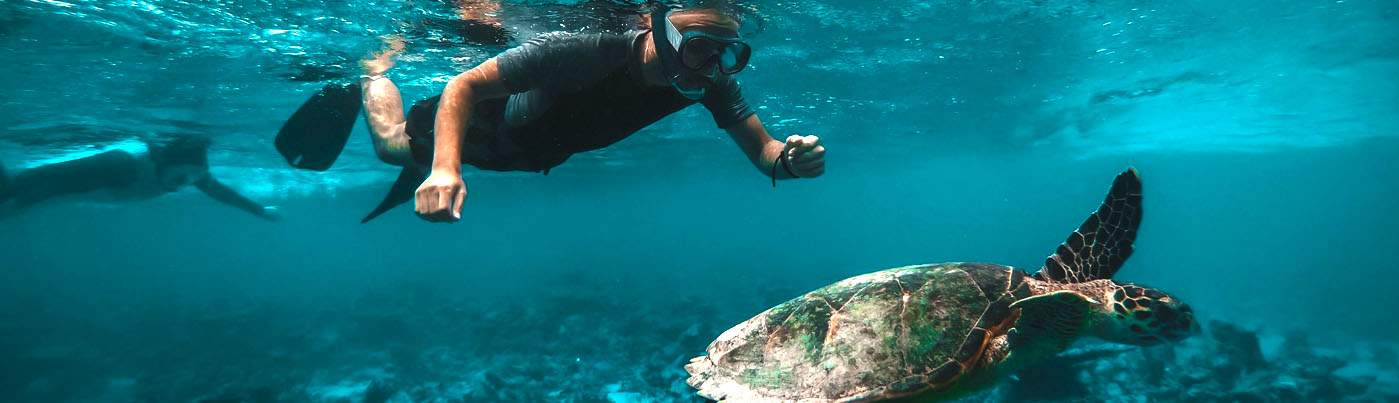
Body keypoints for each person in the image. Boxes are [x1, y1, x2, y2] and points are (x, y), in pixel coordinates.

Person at [276, 5, 826, 223]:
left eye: (728, 54)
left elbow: (763, 150)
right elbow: (464, 85)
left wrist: (790, 161)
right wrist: (447, 167)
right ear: (664, 31)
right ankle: (373, 73)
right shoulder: (583, 49)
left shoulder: (708, 82)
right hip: (484, 128)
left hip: (535, 152)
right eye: (703, 45)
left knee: (408, 157)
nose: (712, 66)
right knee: (390, 144)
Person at [0, 136, 278, 221]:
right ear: (162, 160)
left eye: (197, 176)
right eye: (187, 174)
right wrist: (18, 204)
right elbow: (54, 185)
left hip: (45, 187)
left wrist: (259, 210)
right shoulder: (124, 167)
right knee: (10, 188)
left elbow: (221, 192)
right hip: (29, 183)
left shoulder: (189, 173)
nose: (189, 181)